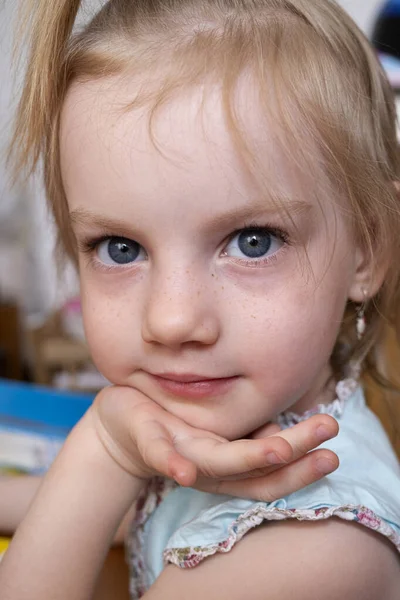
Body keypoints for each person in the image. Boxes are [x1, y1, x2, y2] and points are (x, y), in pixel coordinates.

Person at [1, 0, 400, 598]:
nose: (172, 320)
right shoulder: (228, 431)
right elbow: (67, 503)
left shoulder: (312, 556)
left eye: (252, 241)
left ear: (367, 250)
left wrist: (104, 448)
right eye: (120, 248)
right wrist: (106, 460)